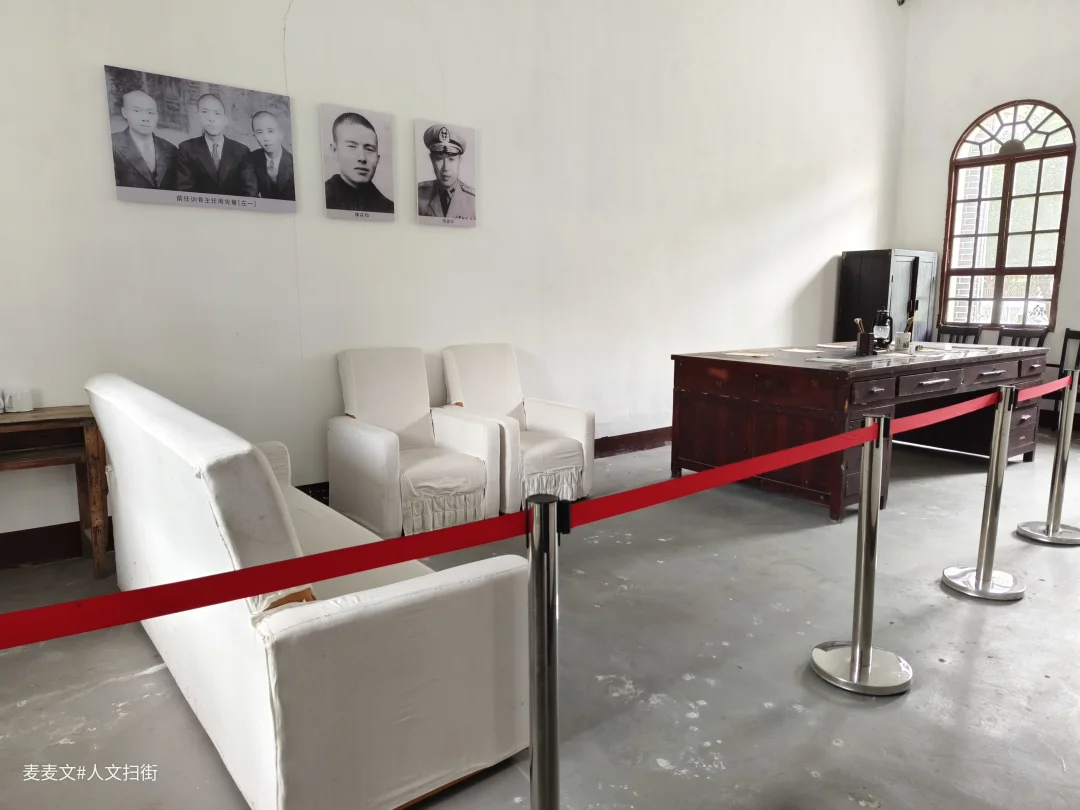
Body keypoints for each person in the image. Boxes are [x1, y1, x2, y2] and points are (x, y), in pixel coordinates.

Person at [175, 93, 257, 196]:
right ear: (198, 116)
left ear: (225, 120)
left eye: (217, 113)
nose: (211, 119)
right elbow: (183, 190)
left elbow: (250, 192)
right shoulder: (186, 149)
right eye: (205, 112)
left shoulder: (242, 151)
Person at [323, 112, 394, 213]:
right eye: (352, 146)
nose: (362, 158)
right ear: (335, 150)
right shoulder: (320, 197)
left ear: (378, 159)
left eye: (369, 149)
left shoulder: (388, 208)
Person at [111, 89, 178, 189]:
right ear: (124, 112)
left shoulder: (171, 149)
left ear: (157, 116)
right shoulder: (112, 144)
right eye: (137, 111)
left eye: (150, 112)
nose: (145, 118)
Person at [417, 124, 475, 220]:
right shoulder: (418, 195)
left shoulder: (473, 200)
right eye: (439, 159)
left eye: (451, 159)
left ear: (459, 160)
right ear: (432, 159)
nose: (446, 168)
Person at [249, 111, 295, 200]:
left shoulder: (293, 162)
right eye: (260, 132)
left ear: (280, 134)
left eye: (270, 131)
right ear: (255, 137)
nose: (266, 138)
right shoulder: (252, 159)